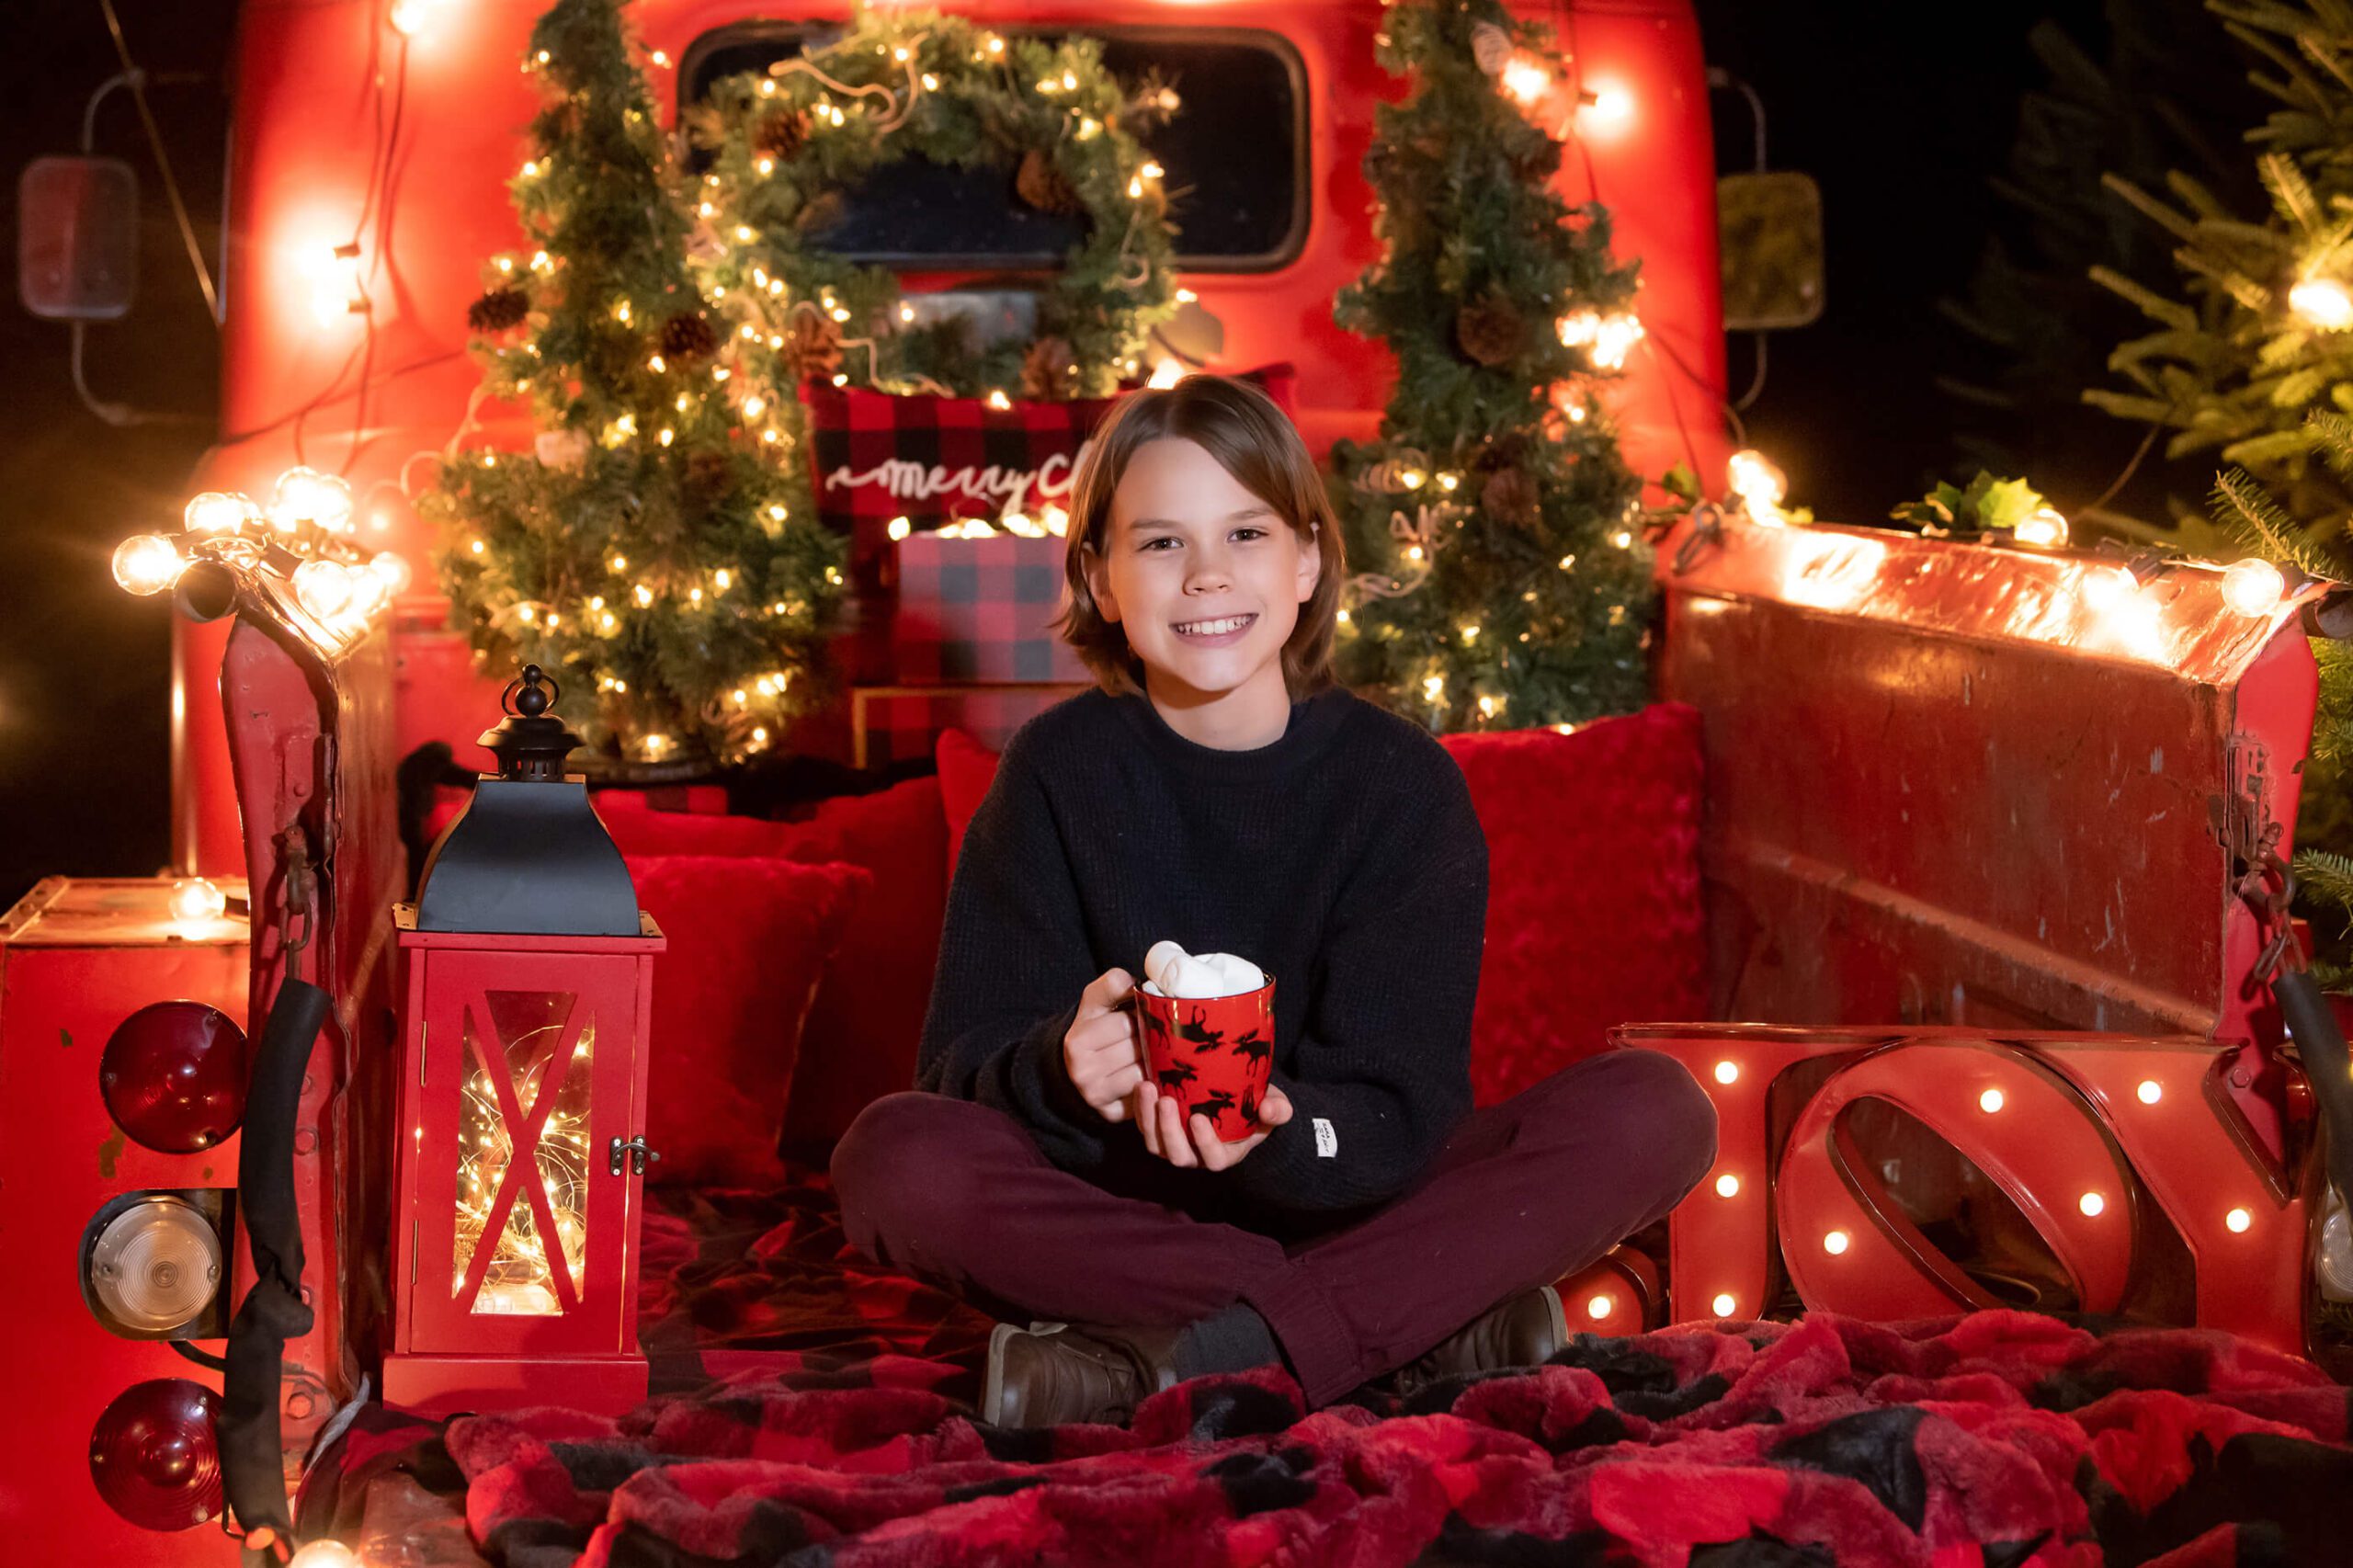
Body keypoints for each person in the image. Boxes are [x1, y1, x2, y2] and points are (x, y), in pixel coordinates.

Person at [831, 373, 1717, 1428]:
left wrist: (1285, 1132)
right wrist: (1062, 1071)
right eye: (1160, 543)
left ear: (1305, 560)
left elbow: (1404, 1111)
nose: (1206, 575)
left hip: (1356, 1206)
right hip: (1122, 1226)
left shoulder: (1401, 786)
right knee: (891, 1157)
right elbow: (955, 1080)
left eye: (1244, 533)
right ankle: (1412, 1330)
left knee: (1657, 1108)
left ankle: (1175, 1360)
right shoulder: (1053, 773)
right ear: (1101, 578)